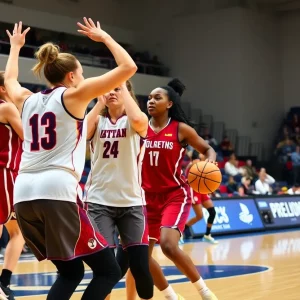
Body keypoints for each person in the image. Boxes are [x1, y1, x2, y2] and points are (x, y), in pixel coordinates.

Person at [4, 19, 137, 300]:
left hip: (23, 193)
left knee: (71, 272)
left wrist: (15, 48)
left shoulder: (26, 100)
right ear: (73, 77)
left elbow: (10, 81)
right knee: (109, 271)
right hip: (57, 191)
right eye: (82, 72)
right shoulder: (74, 96)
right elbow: (128, 68)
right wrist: (105, 38)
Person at [136, 79, 218, 300]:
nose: (151, 101)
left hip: (174, 195)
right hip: (144, 198)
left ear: (170, 104)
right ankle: (171, 296)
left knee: (168, 246)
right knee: (140, 256)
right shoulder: (139, 125)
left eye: (157, 98)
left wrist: (209, 162)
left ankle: (204, 292)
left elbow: (208, 148)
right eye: (149, 98)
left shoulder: (181, 129)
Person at [84, 80, 153, 300]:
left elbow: (138, 118)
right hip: (99, 202)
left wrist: (121, 82)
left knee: (141, 269)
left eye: (118, 89)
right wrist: (97, 103)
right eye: (108, 89)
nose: (112, 93)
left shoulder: (136, 121)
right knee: (104, 271)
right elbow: (83, 131)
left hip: (132, 202)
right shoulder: (98, 119)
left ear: (128, 93)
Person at [0, 71, 25, 300]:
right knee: (10, 229)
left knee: (17, 231)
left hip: (11, 175)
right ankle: (2, 283)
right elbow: (28, 137)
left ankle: (4, 283)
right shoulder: (6, 108)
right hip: (4, 173)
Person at [184, 150, 218, 244]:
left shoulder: (201, 163)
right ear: (199, 155)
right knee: (199, 216)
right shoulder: (194, 163)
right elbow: (196, 165)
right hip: (194, 191)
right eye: (203, 154)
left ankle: (207, 235)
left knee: (212, 212)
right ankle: (180, 232)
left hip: (201, 190)